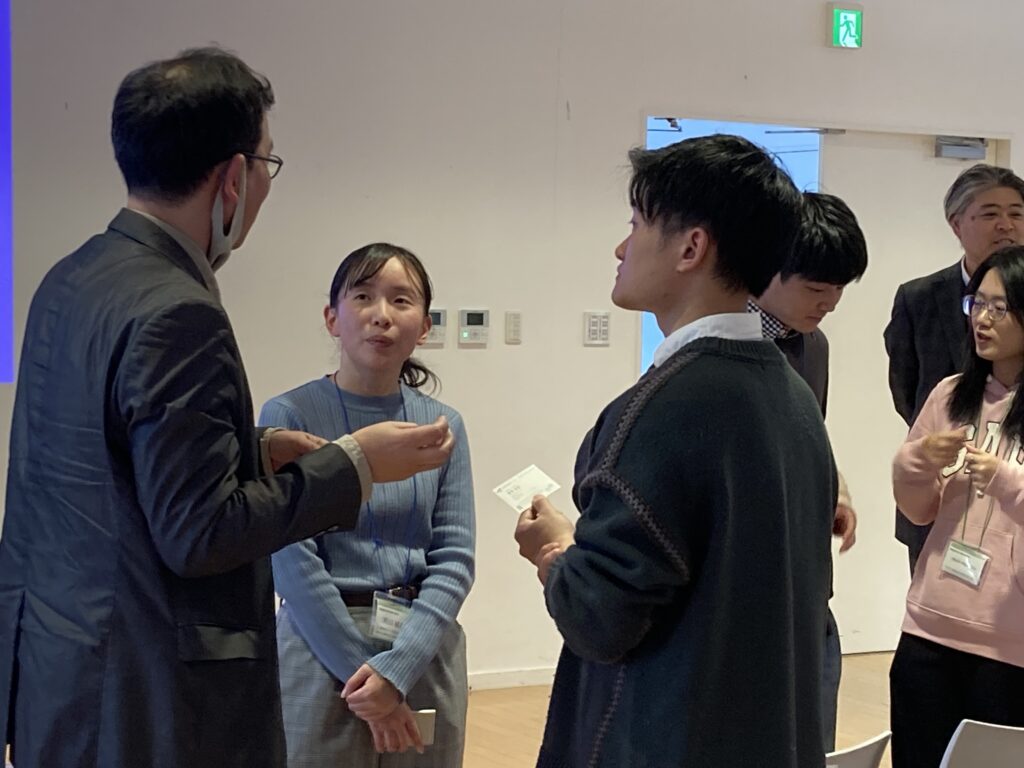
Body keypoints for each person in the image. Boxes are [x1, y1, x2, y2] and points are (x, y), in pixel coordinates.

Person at [0, 48, 453, 768]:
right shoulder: (179, 310)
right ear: (235, 177)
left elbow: (105, 456)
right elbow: (200, 533)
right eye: (267, 165)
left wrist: (251, 448)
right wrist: (354, 465)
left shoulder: (72, 276)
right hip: (148, 694)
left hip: (60, 667)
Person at [515, 134, 836, 767]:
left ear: (691, 247)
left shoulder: (663, 406)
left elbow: (600, 618)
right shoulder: (793, 397)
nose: (621, 247)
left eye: (636, 225)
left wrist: (553, 552)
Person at [260, 243, 475, 766]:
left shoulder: (442, 425)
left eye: (401, 300)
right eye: (362, 296)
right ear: (332, 318)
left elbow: (455, 558)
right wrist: (368, 683)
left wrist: (396, 671)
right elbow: (293, 562)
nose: (382, 315)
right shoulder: (288, 416)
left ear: (425, 327)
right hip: (318, 649)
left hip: (422, 646)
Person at [890, 245, 1024, 768]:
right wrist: (917, 462)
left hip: (1010, 643)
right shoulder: (949, 395)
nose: (982, 319)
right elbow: (917, 509)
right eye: (977, 304)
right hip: (930, 625)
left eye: (1000, 307)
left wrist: (1008, 481)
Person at [749, 190, 868, 752]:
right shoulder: (721, 343)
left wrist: (833, 490)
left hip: (806, 578)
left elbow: (809, 433)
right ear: (767, 268)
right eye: (817, 288)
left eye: (839, 289)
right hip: (747, 586)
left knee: (812, 738)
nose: (830, 303)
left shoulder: (812, 345)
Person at [885, 164, 1024, 573]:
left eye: (1016, 213)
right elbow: (906, 387)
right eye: (990, 214)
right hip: (943, 488)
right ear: (956, 223)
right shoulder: (919, 297)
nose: (1006, 225)